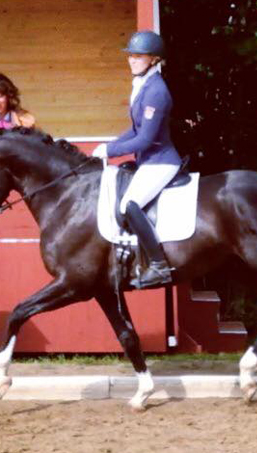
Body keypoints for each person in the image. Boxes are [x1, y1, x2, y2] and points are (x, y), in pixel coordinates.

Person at [92, 31, 182, 288]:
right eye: (130, 55)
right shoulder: (142, 85)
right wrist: (110, 145)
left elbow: (145, 140)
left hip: (162, 161)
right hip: (149, 160)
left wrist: (111, 152)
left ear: (154, 60)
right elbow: (135, 130)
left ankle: (159, 265)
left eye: (138, 56)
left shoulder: (156, 91)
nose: (131, 60)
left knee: (130, 204)